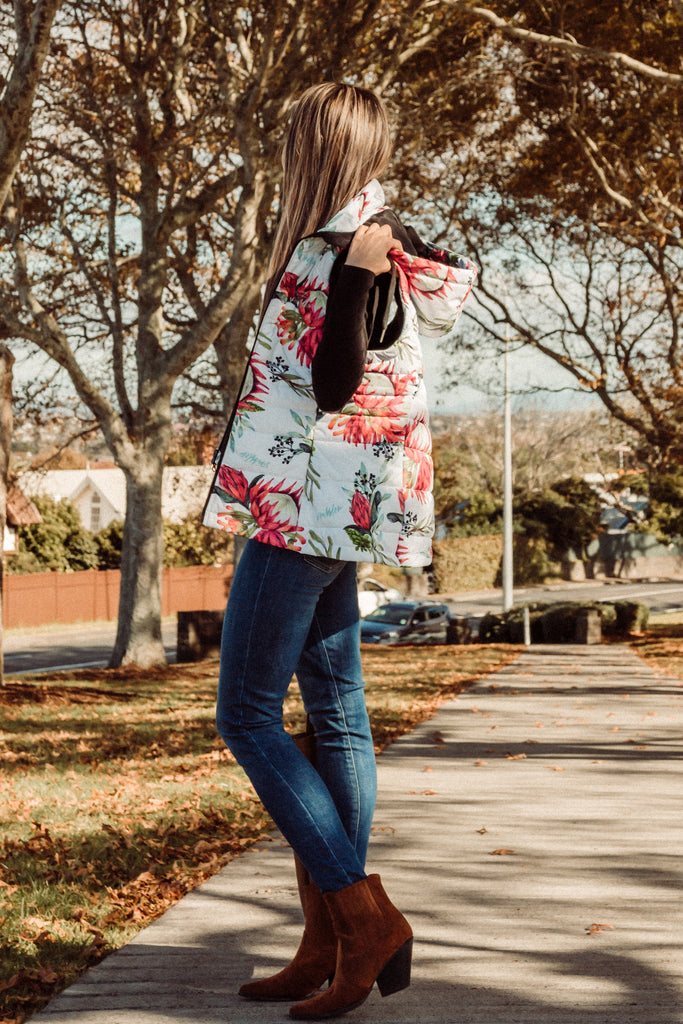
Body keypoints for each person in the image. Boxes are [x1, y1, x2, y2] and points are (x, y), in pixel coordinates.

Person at [202, 82, 476, 1020]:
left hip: (303, 511)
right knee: (337, 713)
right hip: (341, 509)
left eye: (294, 143)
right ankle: (325, 942)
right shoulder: (363, 236)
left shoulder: (349, 246)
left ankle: (362, 919)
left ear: (317, 148)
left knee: (244, 712)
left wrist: (353, 274)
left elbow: (332, 383)